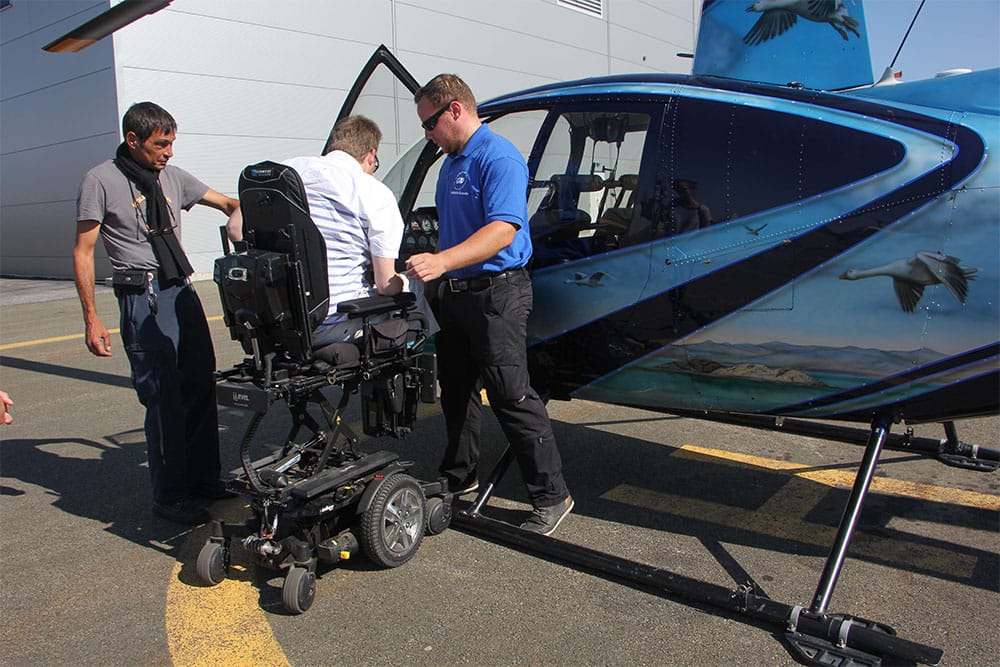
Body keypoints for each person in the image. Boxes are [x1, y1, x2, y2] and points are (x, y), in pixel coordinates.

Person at [405, 74, 573, 536]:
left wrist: (440, 261)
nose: (427, 135)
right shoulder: (451, 164)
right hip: (456, 295)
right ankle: (459, 478)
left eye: (430, 123)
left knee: (510, 392)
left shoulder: (498, 157)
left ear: (455, 110)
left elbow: (503, 230)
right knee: (456, 392)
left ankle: (551, 495)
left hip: (498, 293)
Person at [74, 101, 239, 525]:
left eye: (171, 143)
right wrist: (92, 318)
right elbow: (84, 251)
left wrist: (252, 207)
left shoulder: (173, 177)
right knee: (164, 398)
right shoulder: (101, 180)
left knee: (201, 384)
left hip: (180, 291)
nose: (168, 152)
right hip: (143, 297)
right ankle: (170, 494)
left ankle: (204, 479)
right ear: (134, 140)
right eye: (161, 144)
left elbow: (225, 203)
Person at [226, 115, 406, 346]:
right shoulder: (374, 191)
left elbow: (234, 229)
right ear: (371, 154)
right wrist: (406, 279)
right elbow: (385, 285)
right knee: (415, 291)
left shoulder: (285, 172)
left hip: (277, 319)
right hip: (337, 322)